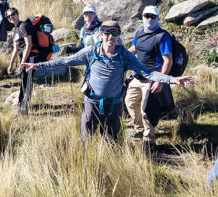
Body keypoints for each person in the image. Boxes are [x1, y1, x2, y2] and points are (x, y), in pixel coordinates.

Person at [21, 20, 192, 141]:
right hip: (91, 102)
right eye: (107, 33)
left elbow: (148, 72)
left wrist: (172, 79)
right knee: (87, 136)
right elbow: (65, 61)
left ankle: (111, 164)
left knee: (111, 138)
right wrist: (38, 66)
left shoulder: (124, 55)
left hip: (115, 104)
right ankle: (87, 164)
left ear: (119, 36)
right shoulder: (90, 52)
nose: (110, 37)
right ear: (101, 35)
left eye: (114, 33)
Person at [125, 6, 173, 145]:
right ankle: (139, 130)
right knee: (130, 103)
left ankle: (149, 140)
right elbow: (134, 48)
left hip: (152, 78)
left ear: (158, 18)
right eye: (147, 16)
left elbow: (167, 61)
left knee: (146, 110)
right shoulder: (140, 32)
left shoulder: (162, 36)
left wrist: (160, 81)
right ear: (143, 17)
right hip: (137, 76)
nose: (150, 19)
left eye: (153, 16)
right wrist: (121, 55)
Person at [6, 8, 40, 114]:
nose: (11, 17)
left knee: (27, 82)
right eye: (8, 16)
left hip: (30, 58)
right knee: (23, 81)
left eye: (13, 14)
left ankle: (24, 108)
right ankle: (21, 105)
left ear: (17, 14)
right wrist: (11, 65)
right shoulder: (15, 30)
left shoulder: (23, 26)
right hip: (24, 58)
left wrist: (22, 62)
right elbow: (16, 49)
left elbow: (28, 44)